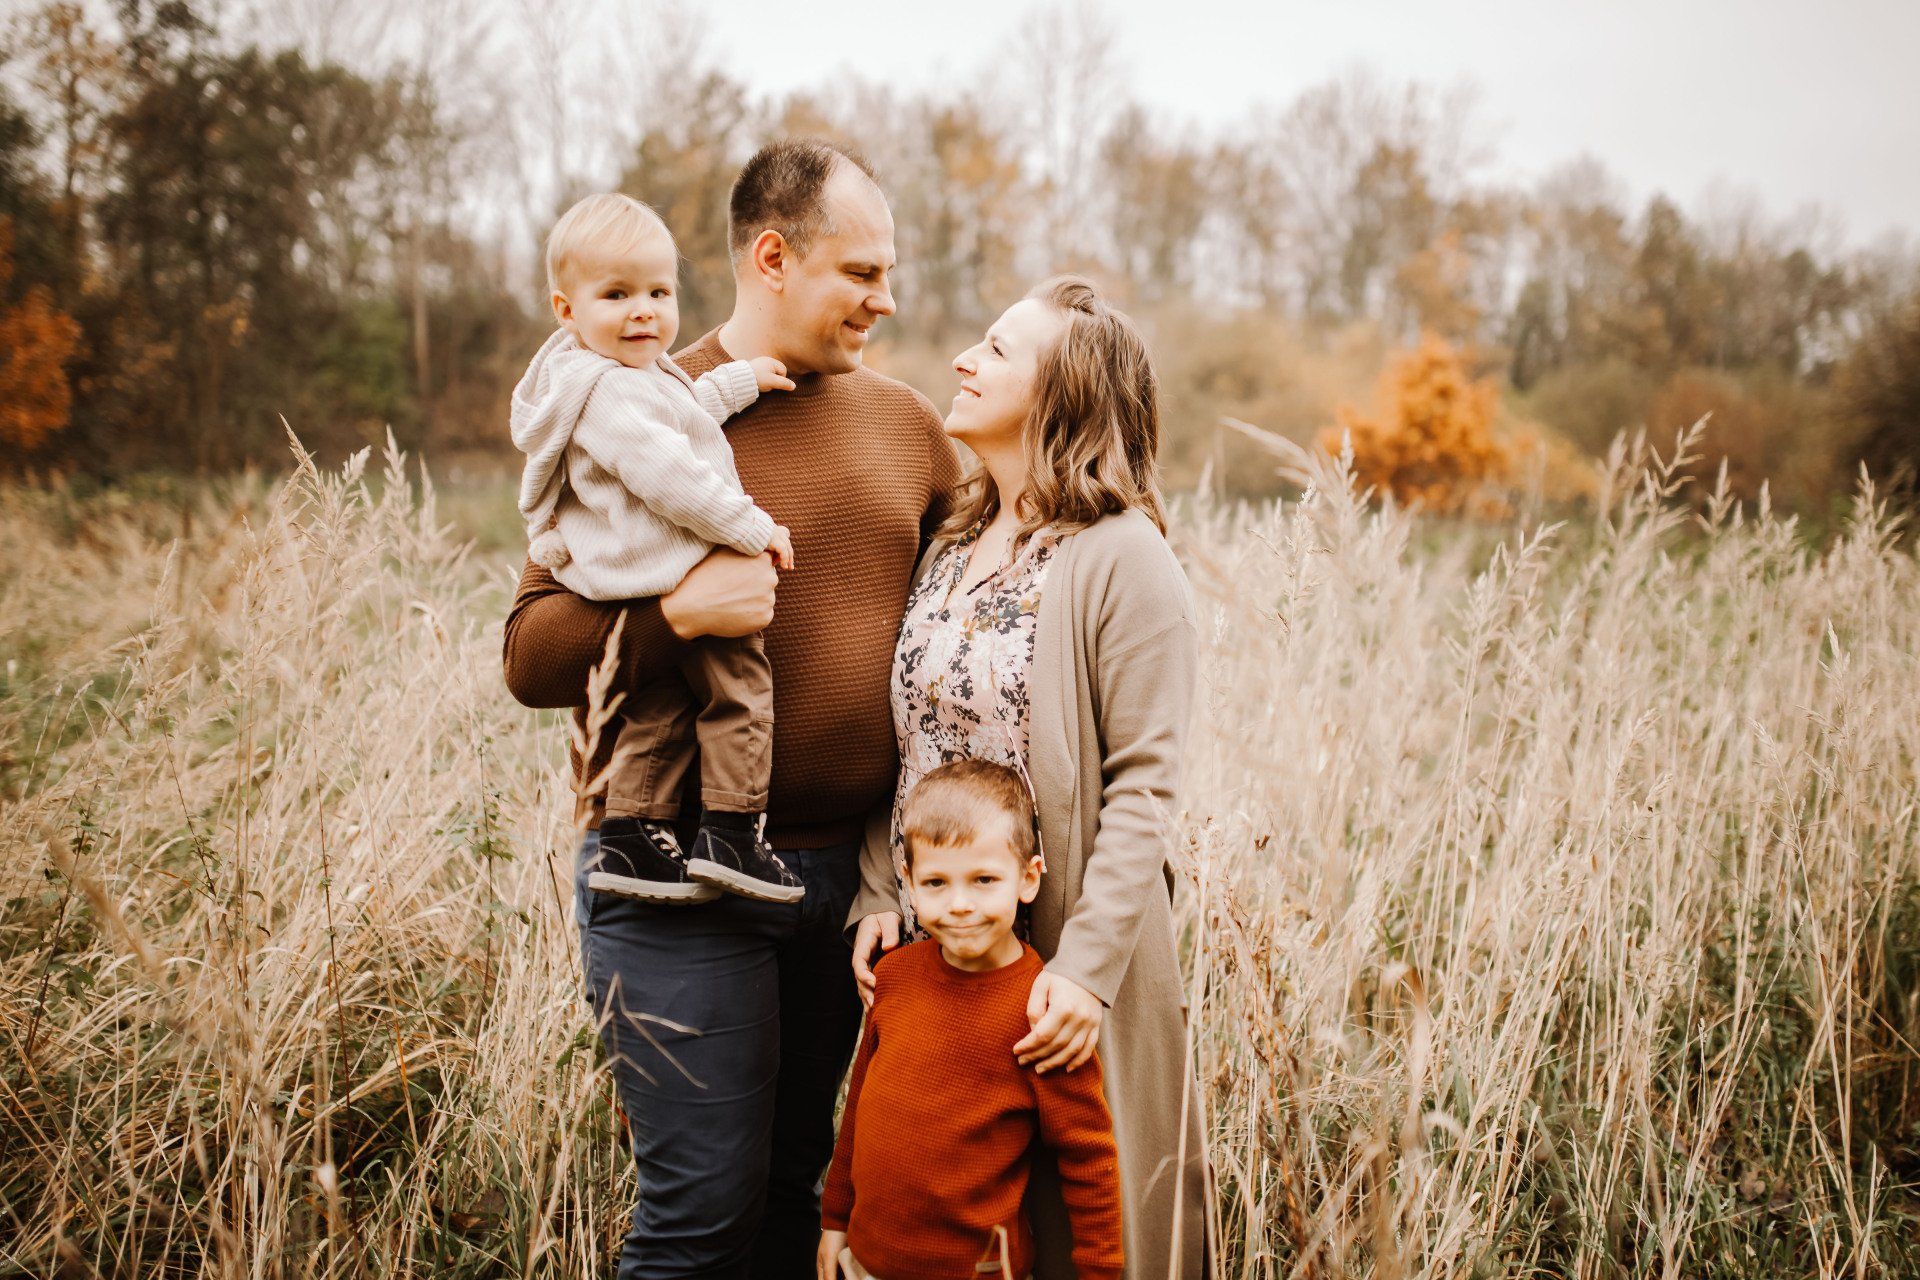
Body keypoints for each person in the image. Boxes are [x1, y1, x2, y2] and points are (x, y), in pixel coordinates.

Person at [501, 139, 960, 1279]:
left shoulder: (908, 428)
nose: (886, 300)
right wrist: (675, 614)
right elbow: (527, 653)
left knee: (790, 1199)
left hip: (846, 894)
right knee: (699, 1221)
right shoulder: (637, 399)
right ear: (773, 257)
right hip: (676, 881)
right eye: (861, 271)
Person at [849, 276, 1208, 1279]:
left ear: (1064, 393)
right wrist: (881, 888)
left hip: (1061, 959)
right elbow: (909, 741)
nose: (963, 359)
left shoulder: (1123, 558)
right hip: (940, 941)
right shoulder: (949, 541)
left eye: (998, 350)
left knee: (1078, 1225)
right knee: (948, 1222)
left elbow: (1146, 782)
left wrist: (1086, 971)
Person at [512, 191, 802, 905]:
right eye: (617, 293)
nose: (643, 309)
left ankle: (633, 834)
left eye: (658, 291)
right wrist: (752, 528)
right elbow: (674, 473)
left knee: (662, 700)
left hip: (637, 573)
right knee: (740, 688)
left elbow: (679, 419)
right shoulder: (609, 391)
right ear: (566, 309)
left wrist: (738, 380)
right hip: (663, 567)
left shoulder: (622, 382)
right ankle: (733, 829)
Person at [818, 759, 1124, 1280]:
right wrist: (834, 1221)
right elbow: (858, 1113)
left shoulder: (1041, 1011)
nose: (959, 904)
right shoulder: (894, 978)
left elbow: (1088, 1160)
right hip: (866, 1263)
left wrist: (1100, 1272)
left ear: (1028, 879)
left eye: (984, 879)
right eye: (936, 882)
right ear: (908, 884)